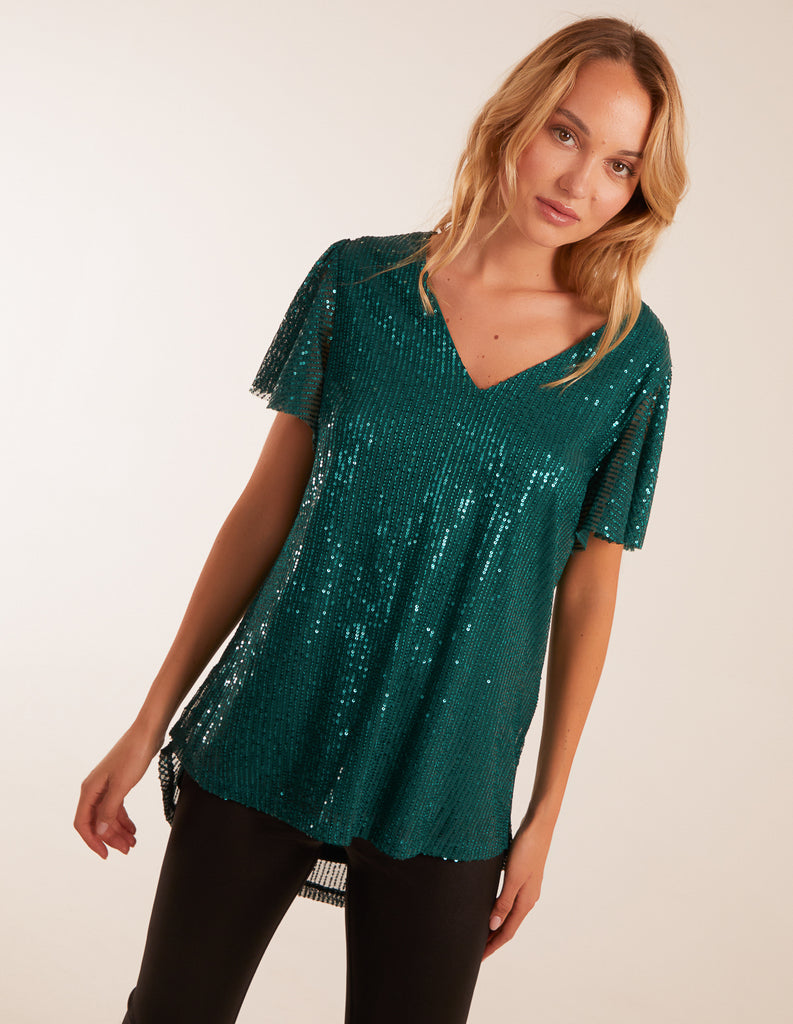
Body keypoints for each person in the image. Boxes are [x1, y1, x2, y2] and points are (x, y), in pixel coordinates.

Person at [75, 15, 688, 1024]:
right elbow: (262, 514)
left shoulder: (625, 358)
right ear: (516, 118)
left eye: (620, 165)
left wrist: (543, 814)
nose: (580, 181)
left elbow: (589, 589)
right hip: (271, 718)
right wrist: (147, 723)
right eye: (566, 132)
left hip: (453, 772)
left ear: (638, 191)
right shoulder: (357, 286)